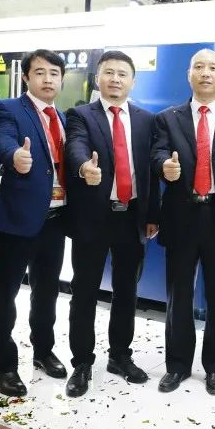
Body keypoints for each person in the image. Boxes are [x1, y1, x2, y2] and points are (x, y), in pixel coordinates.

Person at [152, 48, 215, 395]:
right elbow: (158, 152)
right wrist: (165, 166)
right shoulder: (168, 118)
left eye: (213, 68)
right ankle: (177, 365)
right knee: (178, 294)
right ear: (189, 74)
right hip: (181, 216)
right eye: (199, 67)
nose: (206, 73)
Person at [63, 50, 161, 397]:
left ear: (132, 81)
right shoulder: (80, 115)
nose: (115, 79)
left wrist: (153, 215)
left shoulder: (147, 120)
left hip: (131, 217)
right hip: (93, 216)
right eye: (109, 72)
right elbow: (75, 146)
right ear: (98, 78)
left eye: (122, 73)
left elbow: (151, 171)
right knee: (84, 292)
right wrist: (83, 167)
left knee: (126, 292)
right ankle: (82, 362)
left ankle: (120, 356)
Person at [0, 50, 70, 397]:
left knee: (47, 291)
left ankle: (43, 350)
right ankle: (2, 364)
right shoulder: (8, 109)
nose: (48, 79)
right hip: (18, 219)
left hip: (56, 219)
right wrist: (14, 156)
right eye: (40, 72)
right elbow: (3, 139)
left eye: (54, 73)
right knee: (4, 293)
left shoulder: (63, 117)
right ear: (26, 77)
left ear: (61, 79)